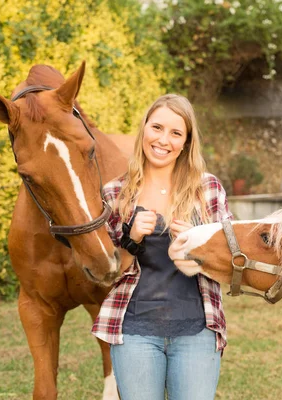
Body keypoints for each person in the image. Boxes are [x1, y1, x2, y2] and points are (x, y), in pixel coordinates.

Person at [91, 94, 233, 400]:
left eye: (176, 133)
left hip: (197, 331)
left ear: (186, 142)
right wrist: (131, 239)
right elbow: (106, 273)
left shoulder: (207, 189)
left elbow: (232, 264)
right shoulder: (115, 192)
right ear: (143, 129)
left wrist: (200, 242)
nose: (163, 140)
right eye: (157, 128)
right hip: (135, 332)